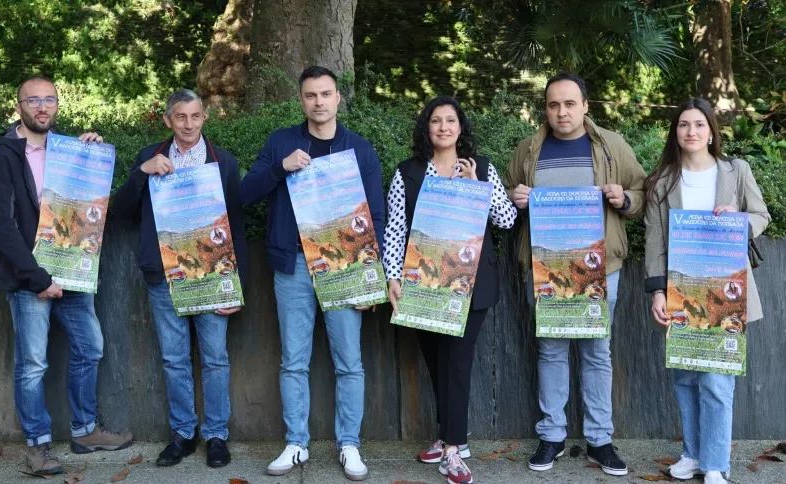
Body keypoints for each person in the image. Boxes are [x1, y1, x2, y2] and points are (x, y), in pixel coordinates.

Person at [0, 76, 133, 476]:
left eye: (49, 99)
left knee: (91, 347)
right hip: (30, 279)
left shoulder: (69, 150)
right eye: (33, 100)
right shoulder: (3, 155)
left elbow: (86, 208)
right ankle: (38, 449)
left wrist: (92, 159)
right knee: (32, 364)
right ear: (20, 107)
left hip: (73, 273)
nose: (42, 107)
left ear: (58, 105)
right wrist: (37, 277)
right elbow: (0, 226)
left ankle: (84, 431)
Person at [240, 66, 385, 482]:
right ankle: (296, 443)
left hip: (345, 267)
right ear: (300, 100)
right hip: (295, 265)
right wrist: (280, 168)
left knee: (350, 363)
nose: (318, 102)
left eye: (325, 94)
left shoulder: (360, 149)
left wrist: (368, 277)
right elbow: (245, 195)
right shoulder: (281, 142)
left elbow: (375, 216)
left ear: (338, 98)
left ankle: (349, 444)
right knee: (293, 361)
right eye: (310, 95)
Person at [503, 72, 647, 476]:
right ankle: (552, 437)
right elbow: (507, 194)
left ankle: (600, 440)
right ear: (545, 109)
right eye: (553, 104)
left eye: (569, 103)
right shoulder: (529, 149)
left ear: (586, 106)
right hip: (546, 268)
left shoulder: (610, 146)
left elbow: (644, 192)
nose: (561, 111)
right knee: (550, 350)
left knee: (596, 353)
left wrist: (625, 198)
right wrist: (516, 198)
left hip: (600, 269)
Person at [111, 89, 248, 469]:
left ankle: (216, 435)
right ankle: (184, 434)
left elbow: (236, 224)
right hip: (164, 275)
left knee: (216, 358)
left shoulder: (224, 163)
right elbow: (121, 211)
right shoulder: (148, 157)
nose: (188, 124)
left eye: (195, 116)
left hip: (211, 274)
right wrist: (142, 173)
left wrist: (239, 285)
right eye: (180, 117)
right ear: (168, 120)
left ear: (205, 117)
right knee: (174, 359)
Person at [384, 96, 517, 484]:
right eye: (436, 121)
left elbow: (506, 219)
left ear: (461, 128)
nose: (444, 127)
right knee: (436, 362)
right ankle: (448, 435)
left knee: (457, 364)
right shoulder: (407, 173)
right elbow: (394, 230)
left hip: (471, 285)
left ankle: (454, 452)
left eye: (451, 121)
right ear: (426, 128)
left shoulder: (482, 168)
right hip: (423, 285)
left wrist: (478, 187)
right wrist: (393, 278)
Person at [644, 98, 770, 484]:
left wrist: (740, 220)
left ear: (712, 130)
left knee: (716, 380)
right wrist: (657, 292)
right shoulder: (662, 181)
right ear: (675, 132)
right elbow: (654, 241)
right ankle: (693, 454)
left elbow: (762, 216)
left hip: (725, 293)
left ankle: (715, 464)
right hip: (681, 290)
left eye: (699, 124)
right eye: (683, 125)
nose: (691, 131)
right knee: (685, 378)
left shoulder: (736, 170)